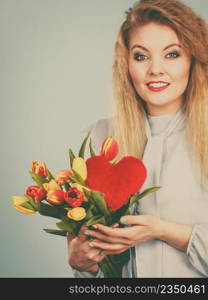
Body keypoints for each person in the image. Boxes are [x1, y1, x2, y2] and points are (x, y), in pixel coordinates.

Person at [67, 0, 208, 278]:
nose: (155, 69)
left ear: (194, 60)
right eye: (141, 56)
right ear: (126, 64)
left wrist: (165, 232)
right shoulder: (99, 137)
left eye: (172, 54)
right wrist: (83, 264)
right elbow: (90, 270)